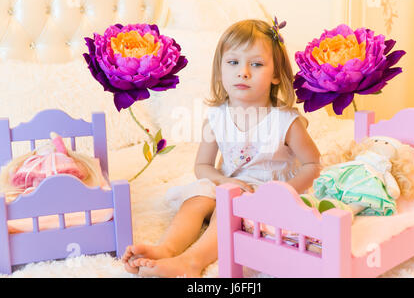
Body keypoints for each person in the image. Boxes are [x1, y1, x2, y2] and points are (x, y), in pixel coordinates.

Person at [121, 19, 321, 277]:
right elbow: (202, 166)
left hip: (268, 190)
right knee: (197, 198)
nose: (243, 72)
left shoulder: (285, 122)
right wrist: (222, 180)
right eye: (233, 62)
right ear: (220, 70)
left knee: (228, 211)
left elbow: (313, 165)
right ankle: (167, 248)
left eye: (256, 64)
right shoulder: (217, 117)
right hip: (228, 183)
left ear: (274, 75)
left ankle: (192, 262)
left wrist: (283, 193)